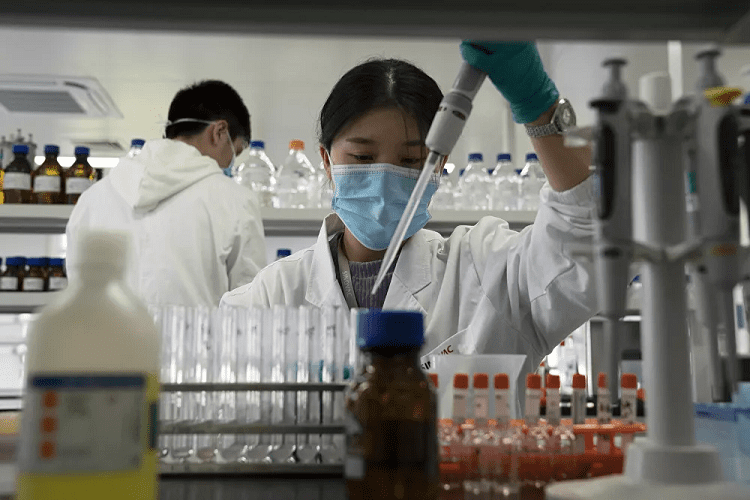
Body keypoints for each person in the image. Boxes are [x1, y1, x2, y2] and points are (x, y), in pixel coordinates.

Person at [221, 42, 596, 392]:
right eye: (363, 157)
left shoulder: (488, 271)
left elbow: (587, 242)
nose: (384, 178)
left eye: (411, 160)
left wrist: (538, 105)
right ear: (326, 161)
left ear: (439, 166)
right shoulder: (269, 299)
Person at [67, 80, 266, 306]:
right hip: (199, 331)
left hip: (109, 331)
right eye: (234, 152)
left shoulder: (92, 199)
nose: (230, 163)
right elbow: (249, 307)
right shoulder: (236, 201)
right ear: (219, 132)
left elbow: (78, 293)